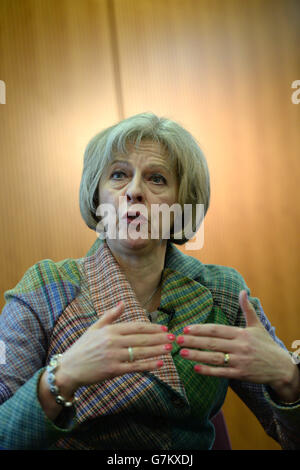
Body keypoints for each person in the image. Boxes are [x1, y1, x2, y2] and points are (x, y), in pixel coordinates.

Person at [0, 112, 299, 450]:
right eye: (118, 175)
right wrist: (62, 376)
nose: (135, 191)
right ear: (97, 197)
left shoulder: (224, 293)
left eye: (156, 179)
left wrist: (289, 377)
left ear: (181, 204)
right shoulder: (45, 287)